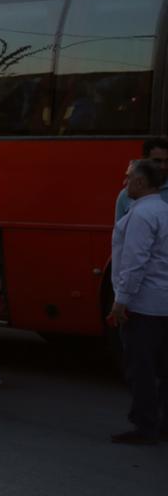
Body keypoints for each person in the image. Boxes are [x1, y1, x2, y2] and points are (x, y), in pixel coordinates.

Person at [109, 159, 168, 445]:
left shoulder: (141, 215)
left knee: (140, 367)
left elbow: (134, 262)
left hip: (144, 304)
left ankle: (145, 425)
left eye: (127, 177)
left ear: (141, 182)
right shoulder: (164, 210)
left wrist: (121, 301)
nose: (124, 182)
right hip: (164, 302)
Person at [115, 138, 168, 220]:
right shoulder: (126, 195)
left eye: (166, 161)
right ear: (144, 160)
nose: (163, 166)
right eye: (157, 161)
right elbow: (119, 230)